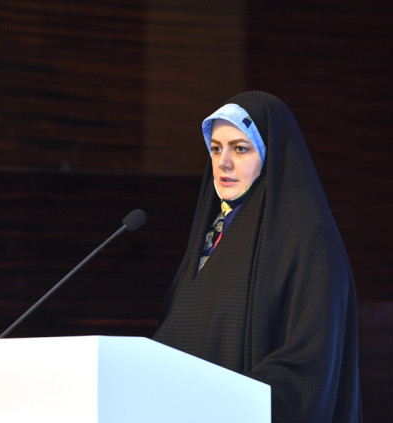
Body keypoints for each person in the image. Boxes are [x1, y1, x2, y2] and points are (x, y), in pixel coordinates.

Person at [153, 91, 362, 422]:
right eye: (216, 148)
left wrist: (225, 402)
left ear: (271, 154)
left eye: (240, 148)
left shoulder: (310, 240)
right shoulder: (212, 236)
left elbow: (310, 365)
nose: (223, 162)